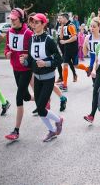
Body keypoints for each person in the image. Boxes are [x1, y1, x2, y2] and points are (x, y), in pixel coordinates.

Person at [19, 13, 63, 142]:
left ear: (44, 24)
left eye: (37, 22)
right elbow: (32, 59)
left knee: (40, 108)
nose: (33, 24)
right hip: (37, 78)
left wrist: (46, 63)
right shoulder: (32, 39)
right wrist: (25, 62)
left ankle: (58, 121)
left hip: (48, 78)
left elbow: (59, 59)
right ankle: (52, 130)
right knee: (40, 108)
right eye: (32, 22)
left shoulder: (49, 40)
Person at [4, 8, 34, 140]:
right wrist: (7, 53)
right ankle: (41, 99)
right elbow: (7, 47)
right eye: (11, 19)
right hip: (15, 68)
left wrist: (26, 56)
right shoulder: (9, 32)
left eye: (14, 19)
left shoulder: (28, 33)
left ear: (21, 19)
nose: (12, 21)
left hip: (26, 70)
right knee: (26, 97)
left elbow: (33, 53)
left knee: (19, 97)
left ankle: (16, 131)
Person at [83, 18, 100, 123]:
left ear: (99, 27)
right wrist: (85, 43)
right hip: (92, 67)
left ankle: (91, 115)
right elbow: (85, 54)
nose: (92, 28)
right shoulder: (88, 37)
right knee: (97, 90)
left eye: (94, 26)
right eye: (91, 26)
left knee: (95, 91)